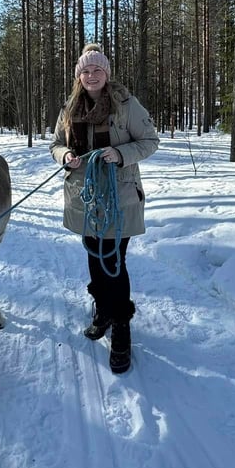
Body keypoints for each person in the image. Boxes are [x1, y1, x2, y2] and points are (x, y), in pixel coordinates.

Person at [50, 44, 159, 374]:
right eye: (85, 71)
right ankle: (103, 309)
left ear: (106, 73)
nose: (91, 75)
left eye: (97, 70)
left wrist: (120, 154)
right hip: (85, 197)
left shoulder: (126, 104)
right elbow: (55, 144)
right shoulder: (71, 107)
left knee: (113, 260)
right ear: (78, 76)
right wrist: (65, 156)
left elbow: (150, 141)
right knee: (95, 257)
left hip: (119, 196)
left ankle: (121, 324)